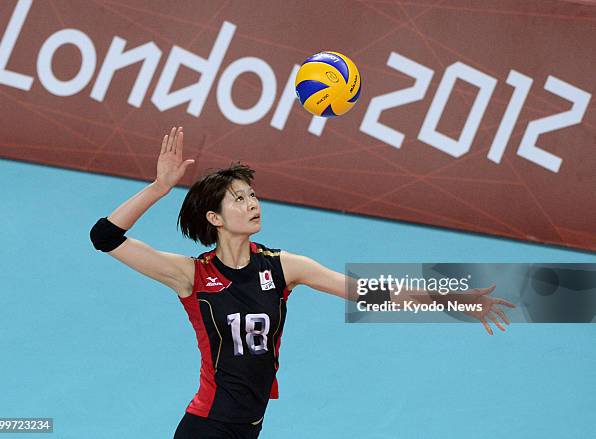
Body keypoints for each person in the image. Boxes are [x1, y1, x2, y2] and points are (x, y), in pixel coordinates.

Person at [89, 126, 515, 438]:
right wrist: (159, 187)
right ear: (215, 219)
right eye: (238, 199)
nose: (252, 203)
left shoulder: (282, 267)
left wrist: (450, 300)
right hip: (208, 426)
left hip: (250, 427)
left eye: (252, 195)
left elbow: (363, 291)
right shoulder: (192, 276)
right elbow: (104, 237)